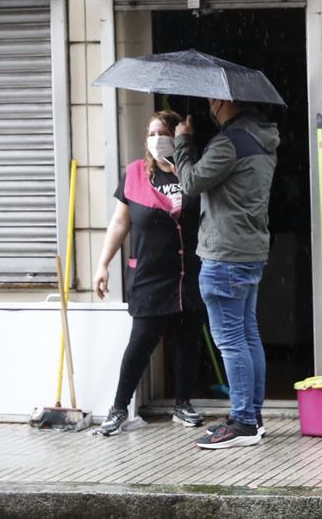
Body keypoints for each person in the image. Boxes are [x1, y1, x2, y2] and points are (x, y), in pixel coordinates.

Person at [172, 98, 279, 450]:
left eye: (210, 101)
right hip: (250, 251)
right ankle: (253, 415)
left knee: (231, 341)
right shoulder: (263, 136)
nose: (207, 107)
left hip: (225, 255)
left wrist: (184, 142)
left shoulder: (228, 142)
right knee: (248, 335)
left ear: (223, 100)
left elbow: (189, 182)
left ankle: (243, 421)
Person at [93, 110, 204, 436]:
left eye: (163, 133)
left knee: (188, 342)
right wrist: (103, 263)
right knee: (140, 343)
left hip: (188, 273)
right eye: (151, 134)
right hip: (150, 275)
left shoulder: (192, 172)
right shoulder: (136, 173)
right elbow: (120, 221)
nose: (156, 139)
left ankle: (183, 404)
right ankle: (117, 408)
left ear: (178, 135)